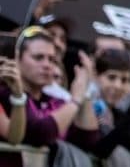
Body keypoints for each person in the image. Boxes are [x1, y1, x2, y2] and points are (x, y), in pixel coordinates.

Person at [0, 27, 99, 166]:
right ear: (17, 58)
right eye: (38, 57)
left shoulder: (57, 101)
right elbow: (38, 133)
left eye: (52, 59)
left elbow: (88, 139)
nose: (47, 65)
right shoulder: (6, 93)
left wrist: (85, 93)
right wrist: (75, 100)